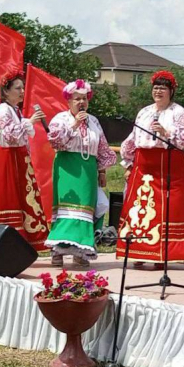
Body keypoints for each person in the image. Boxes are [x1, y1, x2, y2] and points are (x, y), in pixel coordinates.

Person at [117, 71, 184, 267]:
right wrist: (128, 163)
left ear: (171, 91)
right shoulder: (144, 111)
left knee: (167, 209)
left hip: (168, 164)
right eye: (156, 88)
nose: (158, 91)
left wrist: (166, 132)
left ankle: (163, 254)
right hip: (144, 165)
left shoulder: (178, 112)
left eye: (163, 88)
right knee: (141, 208)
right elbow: (133, 138)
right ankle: (140, 252)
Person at [45, 80, 116, 266]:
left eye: (84, 98)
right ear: (68, 101)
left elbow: (102, 147)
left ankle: (80, 252)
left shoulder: (94, 121)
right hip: (68, 168)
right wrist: (75, 125)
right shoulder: (61, 119)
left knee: (92, 208)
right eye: (77, 99)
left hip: (88, 170)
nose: (81, 102)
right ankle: (57, 251)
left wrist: (102, 171)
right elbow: (55, 141)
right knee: (67, 210)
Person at [0, 73, 50, 250]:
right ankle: (7, 244)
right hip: (10, 158)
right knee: (11, 198)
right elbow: (10, 135)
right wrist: (29, 121)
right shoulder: (3, 110)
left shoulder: (14, 110)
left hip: (19, 158)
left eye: (23, 88)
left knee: (25, 197)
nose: (22, 91)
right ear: (6, 91)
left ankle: (24, 242)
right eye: (17, 88)